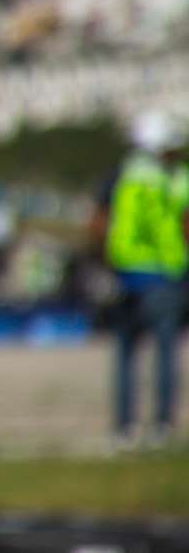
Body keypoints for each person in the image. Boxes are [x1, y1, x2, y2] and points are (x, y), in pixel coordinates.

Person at [91, 110, 189, 445]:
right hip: (167, 277)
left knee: (125, 358)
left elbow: (99, 225)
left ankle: (124, 429)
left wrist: (101, 265)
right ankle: (162, 426)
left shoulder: (118, 176)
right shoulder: (178, 179)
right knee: (166, 356)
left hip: (126, 276)